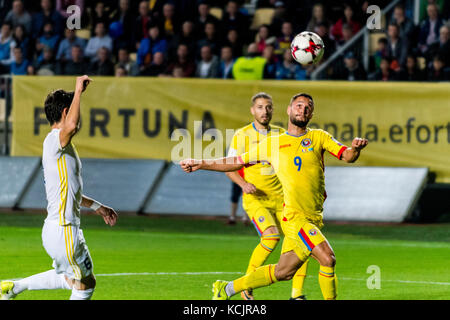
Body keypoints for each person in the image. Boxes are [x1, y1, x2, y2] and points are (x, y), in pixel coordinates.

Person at [180, 93, 369, 301]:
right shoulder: (273, 144)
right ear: (288, 110)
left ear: (312, 113)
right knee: (327, 258)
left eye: (308, 107)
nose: (303, 110)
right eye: (298, 105)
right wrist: (202, 163)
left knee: (283, 272)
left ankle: (227, 289)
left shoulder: (319, 137)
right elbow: (236, 161)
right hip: (295, 218)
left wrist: (356, 149)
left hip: (313, 217)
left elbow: (347, 155)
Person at [0, 75, 118, 300]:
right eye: (72, 108)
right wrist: (78, 90)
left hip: (57, 230)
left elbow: (72, 192)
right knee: (85, 284)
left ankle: (13, 288)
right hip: (64, 230)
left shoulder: (57, 146)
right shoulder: (56, 141)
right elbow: (71, 125)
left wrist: (98, 207)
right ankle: (14, 288)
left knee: (72, 279)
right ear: (65, 112)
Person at [225, 93, 309, 300]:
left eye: (269, 107)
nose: (265, 111)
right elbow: (229, 166)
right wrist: (243, 184)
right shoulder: (242, 135)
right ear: (253, 110)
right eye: (261, 107)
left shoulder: (281, 135)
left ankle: (297, 295)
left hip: (282, 200)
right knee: (271, 236)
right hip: (257, 199)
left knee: (302, 243)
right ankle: (247, 285)